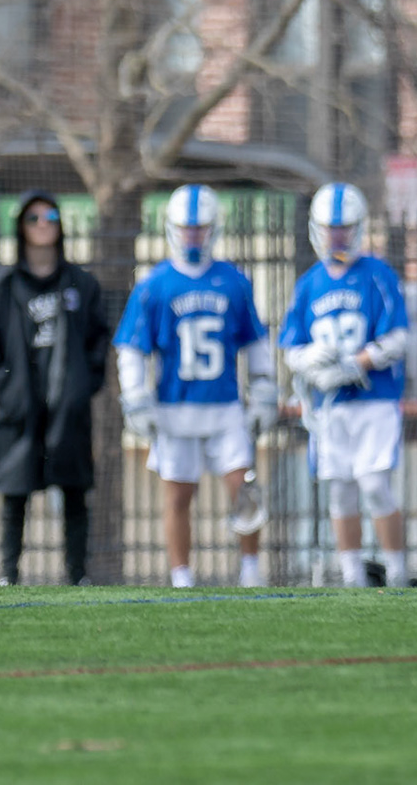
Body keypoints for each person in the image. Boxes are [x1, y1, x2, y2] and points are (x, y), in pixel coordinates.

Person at [114, 185, 276, 589]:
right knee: (178, 497)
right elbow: (131, 348)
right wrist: (135, 397)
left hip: (224, 405)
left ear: (213, 230)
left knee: (244, 490)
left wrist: (264, 389)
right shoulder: (154, 284)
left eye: (200, 229)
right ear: (172, 230)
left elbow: (255, 341)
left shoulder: (233, 281)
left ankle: (250, 571)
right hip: (174, 406)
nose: (192, 237)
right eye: (186, 229)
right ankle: (181, 576)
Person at [0, 192, 110, 586]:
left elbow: (100, 340)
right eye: (33, 218)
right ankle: (8, 575)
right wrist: (3, 386)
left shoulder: (81, 285)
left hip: (67, 406)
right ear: (20, 227)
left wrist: (84, 385)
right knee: (16, 494)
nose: (43, 224)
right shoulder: (2, 289)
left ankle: (77, 576)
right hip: (19, 407)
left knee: (75, 492)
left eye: (50, 216)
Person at [280, 183, 411, 588]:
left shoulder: (377, 275)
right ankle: (353, 575)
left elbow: (400, 339)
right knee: (340, 490)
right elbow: (290, 346)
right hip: (330, 404)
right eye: (330, 228)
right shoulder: (309, 283)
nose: (337, 236)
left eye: (344, 228)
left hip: (374, 397)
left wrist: (357, 363)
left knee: (374, 485)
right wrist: (311, 364)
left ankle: (398, 571)